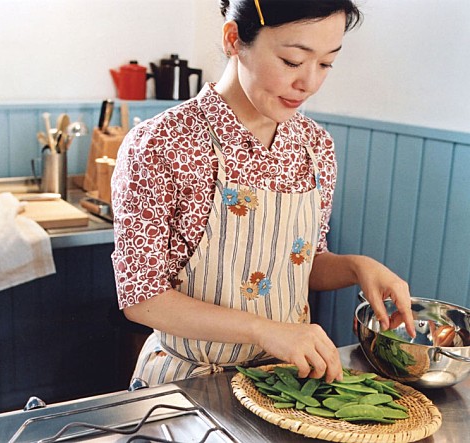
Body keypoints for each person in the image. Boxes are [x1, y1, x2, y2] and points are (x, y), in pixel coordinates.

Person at [111, 0, 416, 389]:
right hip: (187, 384)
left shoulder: (314, 146)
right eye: (292, 61)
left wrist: (357, 266)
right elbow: (143, 298)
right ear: (234, 39)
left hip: (284, 384)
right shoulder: (163, 143)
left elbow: (303, 262)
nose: (309, 83)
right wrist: (264, 330)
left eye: (326, 64)